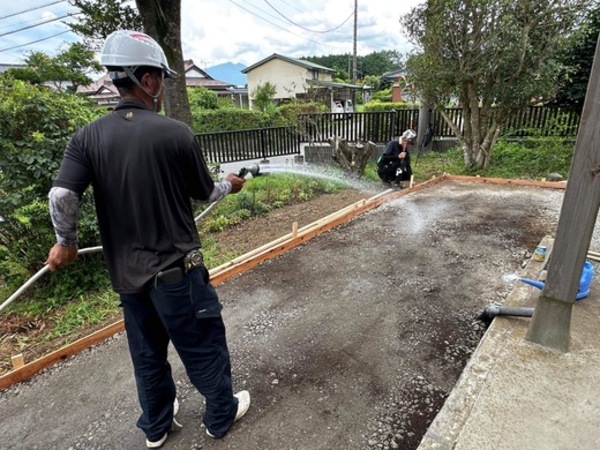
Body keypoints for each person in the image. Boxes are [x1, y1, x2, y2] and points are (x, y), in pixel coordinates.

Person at [45, 30, 250, 448]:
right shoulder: (175, 133)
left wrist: (65, 240)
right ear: (147, 79)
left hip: (128, 280)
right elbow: (205, 191)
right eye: (160, 76)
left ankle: (157, 426)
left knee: (147, 355)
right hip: (178, 277)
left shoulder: (87, 137)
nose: (161, 86)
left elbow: (62, 195)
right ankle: (219, 417)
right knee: (203, 347)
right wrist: (231, 184)